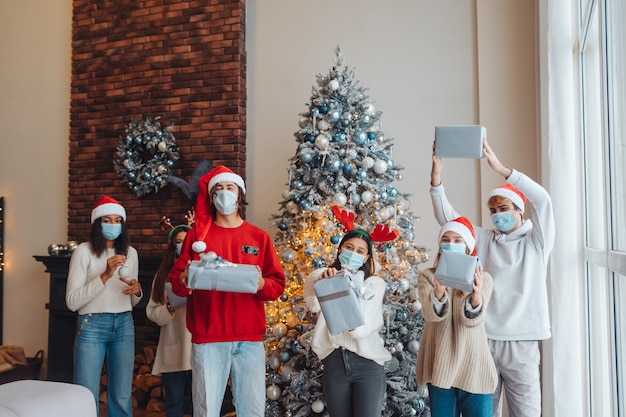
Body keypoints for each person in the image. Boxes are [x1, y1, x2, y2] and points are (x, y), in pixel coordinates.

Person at [430, 138, 555, 417]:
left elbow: (543, 199)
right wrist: (436, 180)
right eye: (493, 211)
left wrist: (501, 169)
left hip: (522, 342)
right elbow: (450, 220)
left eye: (504, 209)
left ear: (520, 210)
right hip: (483, 340)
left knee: (527, 411)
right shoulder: (485, 239)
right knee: (486, 412)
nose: (498, 216)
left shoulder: (537, 242)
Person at [169, 165, 286, 417]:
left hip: (249, 339)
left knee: (252, 410)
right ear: (211, 197)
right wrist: (185, 277)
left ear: (240, 194)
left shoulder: (259, 238)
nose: (224, 193)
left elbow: (277, 285)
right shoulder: (195, 238)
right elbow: (176, 286)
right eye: (218, 189)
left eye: (230, 188)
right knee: (206, 409)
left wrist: (261, 284)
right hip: (209, 337)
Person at [65, 196, 143, 417]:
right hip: (92, 324)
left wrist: (137, 290)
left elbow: (132, 300)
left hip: (124, 323)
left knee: (122, 394)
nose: (113, 225)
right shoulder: (83, 251)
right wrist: (105, 275)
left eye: (118, 220)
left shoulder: (131, 253)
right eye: (107, 220)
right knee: (86, 392)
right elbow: (72, 301)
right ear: (97, 224)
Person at [303, 228, 392, 417]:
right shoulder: (322, 275)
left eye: (360, 251)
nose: (353, 253)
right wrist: (327, 282)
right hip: (334, 363)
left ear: (367, 257)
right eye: (349, 247)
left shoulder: (373, 284)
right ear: (340, 249)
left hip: (368, 365)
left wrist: (342, 290)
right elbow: (313, 304)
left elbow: (361, 328)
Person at [415, 217, 497, 417]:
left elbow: (471, 321)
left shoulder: (483, 278)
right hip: (441, 367)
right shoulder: (427, 276)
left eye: (458, 240)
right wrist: (439, 292)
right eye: (446, 239)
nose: (451, 244)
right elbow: (431, 315)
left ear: (468, 246)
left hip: (474, 367)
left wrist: (476, 296)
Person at [146, 223, 193, 417]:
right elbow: (152, 310)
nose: (182, 246)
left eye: (186, 241)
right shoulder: (162, 275)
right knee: (173, 404)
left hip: (196, 347)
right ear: (172, 245)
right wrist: (168, 308)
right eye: (179, 242)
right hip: (172, 346)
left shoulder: (201, 271)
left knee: (197, 402)